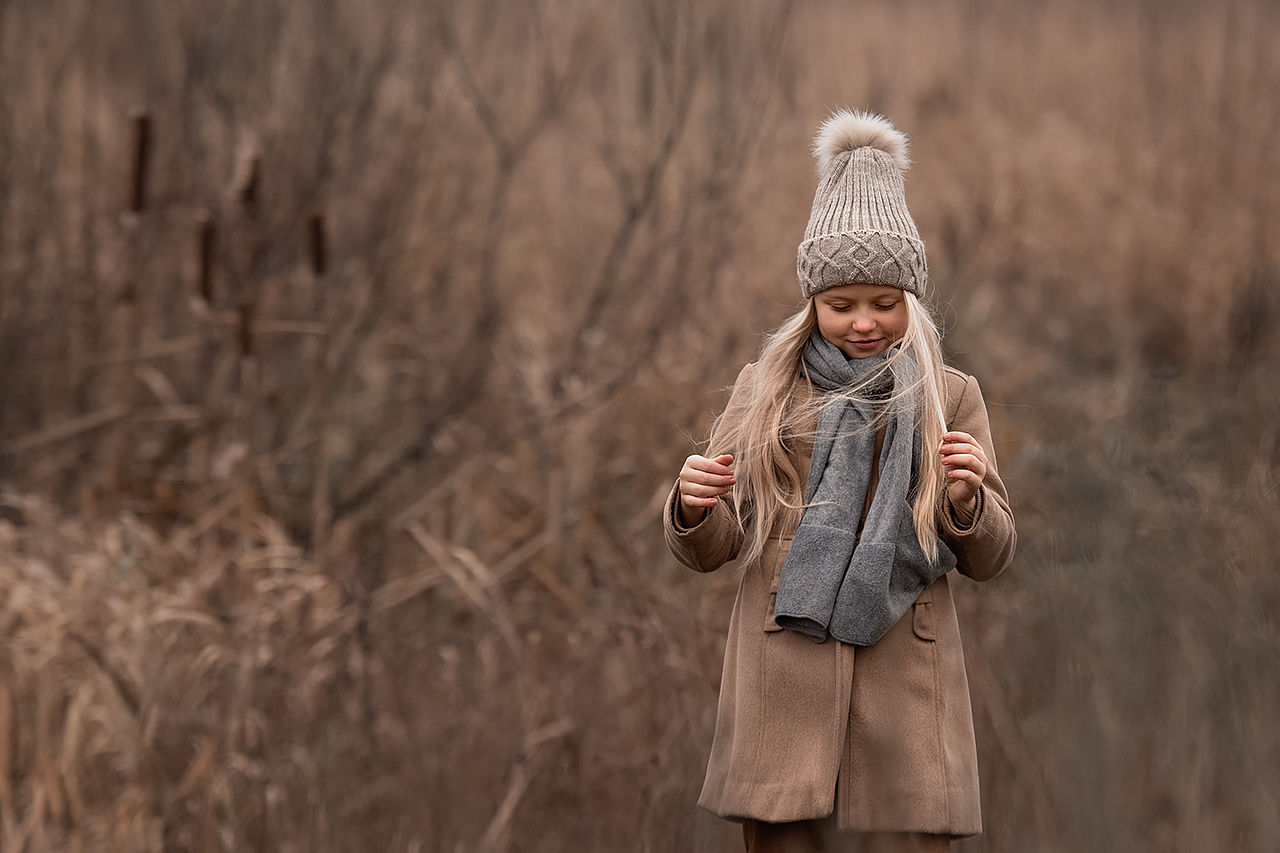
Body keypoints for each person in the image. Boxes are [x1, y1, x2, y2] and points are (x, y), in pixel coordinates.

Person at [663, 110, 1017, 853]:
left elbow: (992, 554)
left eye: (884, 303)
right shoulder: (765, 390)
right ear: (811, 302)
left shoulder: (951, 396)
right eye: (841, 304)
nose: (864, 322)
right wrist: (695, 508)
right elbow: (717, 540)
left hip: (908, 699)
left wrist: (966, 502)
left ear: (912, 301)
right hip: (784, 694)